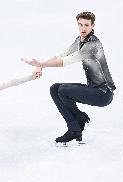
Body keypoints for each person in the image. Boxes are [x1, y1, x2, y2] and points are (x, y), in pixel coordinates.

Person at [22, 12, 116, 144]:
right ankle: (75, 127)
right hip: (93, 89)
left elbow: (64, 62)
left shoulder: (93, 45)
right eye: (80, 24)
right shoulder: (80, 40)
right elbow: (62, 55)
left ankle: (79, 121)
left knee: (63, 90)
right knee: (55, 89)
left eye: (86, 25)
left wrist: (41, 64)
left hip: (103, 94)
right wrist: (41, 66)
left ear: (92, 25)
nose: (83, 28)